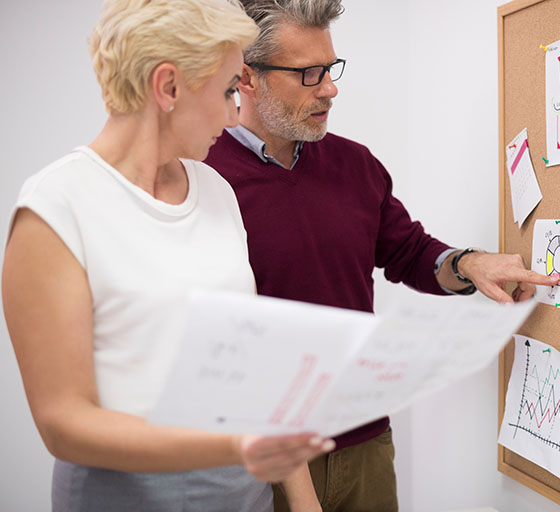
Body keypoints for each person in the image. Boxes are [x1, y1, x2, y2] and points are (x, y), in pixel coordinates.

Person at [203, 1, 560, 509]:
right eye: (309, 74)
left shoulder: (355, 164)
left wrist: (469, 263)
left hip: (363, 441)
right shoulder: (199, 174)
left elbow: (410, 253)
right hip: (253, 454)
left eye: (330, 69)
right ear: (246, 77)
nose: (330, 88)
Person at [1, 0, 333, 510]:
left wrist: (304, 501)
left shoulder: (217, 190)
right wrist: (234, 446)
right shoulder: (56, 207)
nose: (232, 113)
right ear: (168, 87)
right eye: (226, 91)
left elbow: (251, 366)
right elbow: (63, 424)